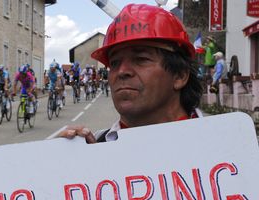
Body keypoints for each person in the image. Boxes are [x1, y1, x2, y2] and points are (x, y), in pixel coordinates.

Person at [59, 4, 203, 143]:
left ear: (180, 75)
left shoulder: (218, 146)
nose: (122, 72)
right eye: (114, 63)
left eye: (141, 59)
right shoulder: (95, 148)